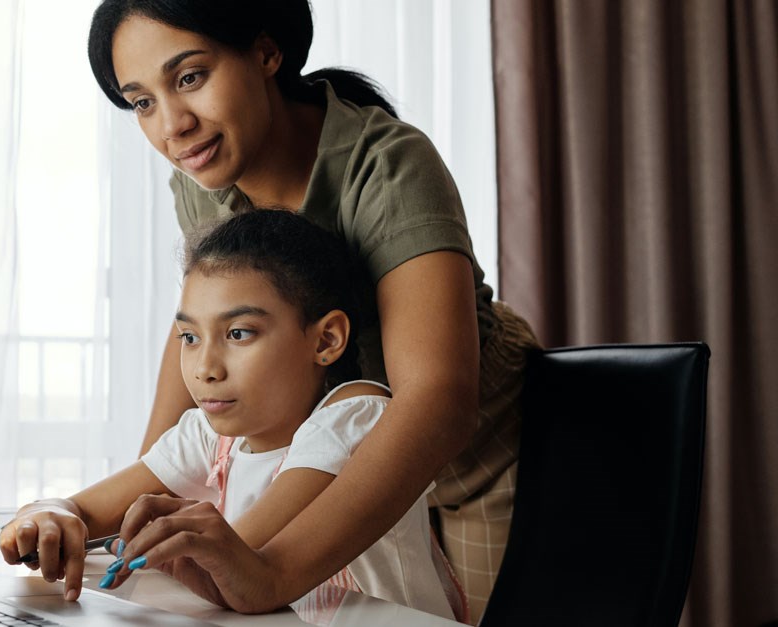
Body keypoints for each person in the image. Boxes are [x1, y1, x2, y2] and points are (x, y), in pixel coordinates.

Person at [85, 0, 540, 621]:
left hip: (473, 454)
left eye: (189, 77)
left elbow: (437, 399)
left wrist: (269, 571)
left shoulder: (388, 167)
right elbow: (197, 329)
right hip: (329, 460)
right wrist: (133, 513)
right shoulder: (202, 179)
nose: (173, 125)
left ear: (267, 52)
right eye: (142, 102)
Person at [0, 210, 456, 620]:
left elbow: (237, 562)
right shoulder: (211, 436)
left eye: (238, 333)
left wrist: (146, 541)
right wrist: (47, 516)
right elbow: (83, 508)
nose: (205, 369)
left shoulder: (356, 416)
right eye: (190, 337)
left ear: (325, 340)